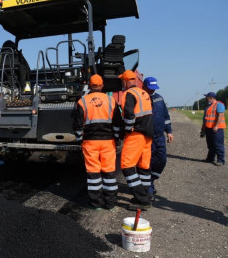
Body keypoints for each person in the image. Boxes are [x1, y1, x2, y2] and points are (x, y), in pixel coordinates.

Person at [73, 74, 123, 211]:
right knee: (109, 172)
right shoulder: (111, 100)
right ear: (101, 86)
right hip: (108, 141)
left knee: (93, 173)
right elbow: (117, 122)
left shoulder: (82, 101)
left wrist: (79, 140)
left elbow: (77, 124)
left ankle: (96, 203)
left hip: (90, 142)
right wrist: (117, 138)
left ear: (90, 86)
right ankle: (111, 203)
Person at [118, 70, 153, 210]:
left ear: (125, 81)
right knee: (143, 166)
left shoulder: (129, 94)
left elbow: (129, 115)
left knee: (127, 166)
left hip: (136, 134)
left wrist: (126, 130)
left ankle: (142, 200)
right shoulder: (143, 93)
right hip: (148, 134)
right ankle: (145, 194)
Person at [142, 77, 174, 200]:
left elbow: (166, 116)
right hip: (147, 137)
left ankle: (151, 180)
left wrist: (169, 131)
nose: (152, 91)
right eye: (150, 89)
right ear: (144, 86)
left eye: (154, 89)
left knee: (162, 160)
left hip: (159, 136)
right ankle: (148, 187)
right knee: (148, 163)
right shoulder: (141, 98)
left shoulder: (159, 98)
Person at [201, 92, 225, 166]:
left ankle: (220, 160)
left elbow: (220, 115)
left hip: (217, 128)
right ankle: (210, 158)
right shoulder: (208, 107)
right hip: (208, 128)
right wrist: (203, 129)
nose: (206, 98)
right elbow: (205, 119)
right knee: (210, 145)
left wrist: (216, 126)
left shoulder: (219, 104)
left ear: (211, 98)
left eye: (207, 97)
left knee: (218, 145)